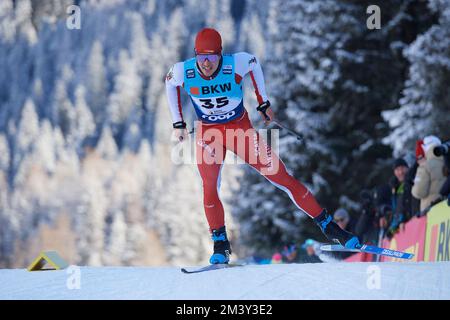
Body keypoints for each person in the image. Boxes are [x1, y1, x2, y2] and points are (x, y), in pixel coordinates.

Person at [164, 27, 360, 264]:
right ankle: (221, 243)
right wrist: (178, 122)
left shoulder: (235, 64)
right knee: (209, 188)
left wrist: (263, 101)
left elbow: (254, 65)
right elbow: (170, 83)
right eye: (201, 58)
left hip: (240, 131)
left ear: (221, 55)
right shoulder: (183, 71)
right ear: (195, 55)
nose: (206, 64)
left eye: (212, 57)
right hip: (209, 134)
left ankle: (330, 227)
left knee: (282, 177)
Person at [412, 135, 446, 214]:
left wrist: (413, 187)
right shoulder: (446, 162)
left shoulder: (425, 166)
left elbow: (419, 192)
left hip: (431, 213)